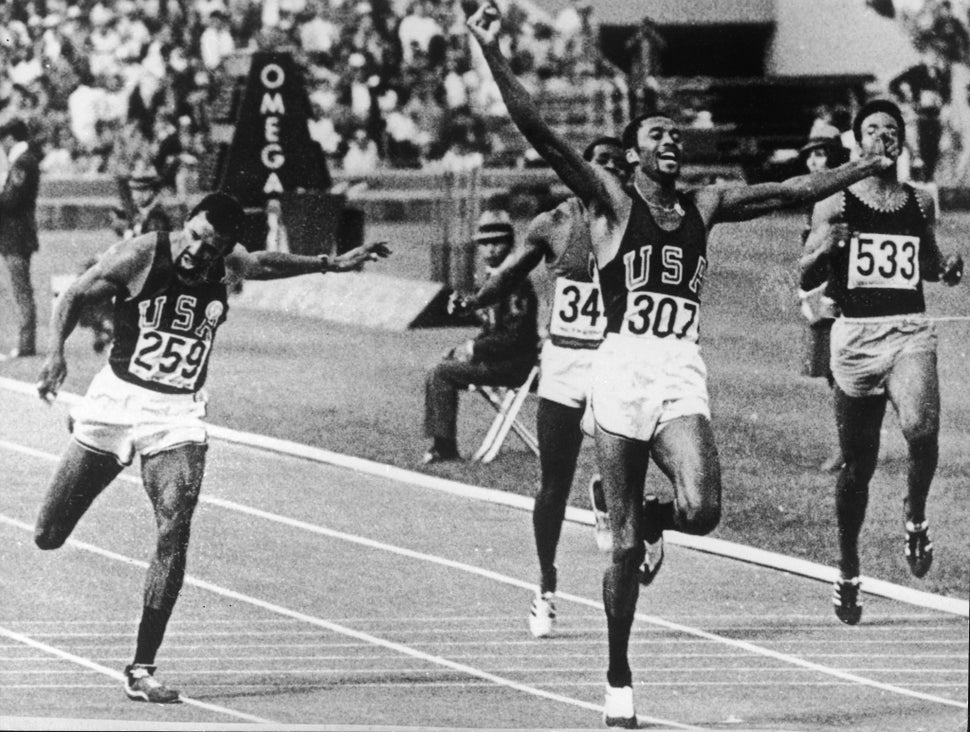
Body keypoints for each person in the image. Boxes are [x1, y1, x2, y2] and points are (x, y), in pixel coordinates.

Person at [466, 5, 896, 726]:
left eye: (674, 134)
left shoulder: (705, 202)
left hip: (678, 370)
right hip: (620, 371)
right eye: (656, 136)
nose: (670, 141)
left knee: (705, 509)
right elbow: (539, 130)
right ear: (635, 155)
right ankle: (618, 678)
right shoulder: (609, 203)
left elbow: (788, 191)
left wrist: (864, 164)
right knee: (621, 548)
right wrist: (492, 51)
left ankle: (650, 516)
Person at [33, 192, 391, 704]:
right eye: (196, 237)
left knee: (174, 525)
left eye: (213, 246)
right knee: (47, 535)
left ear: (225, 247)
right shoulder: (144, 253)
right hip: (116, 401)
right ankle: (85, 427)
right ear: (188, 223)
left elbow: (264, 263)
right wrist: (55, 357)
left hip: (176, 414)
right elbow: (73, 296)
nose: (199, 251)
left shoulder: (227, 261)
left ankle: (142, 667)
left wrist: (329, 263)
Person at [450, 137, 631, 637]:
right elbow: (510, 273)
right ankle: (546, 587)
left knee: (626, 455)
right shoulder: (553, 223)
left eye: (618, 164)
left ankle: (607, 494)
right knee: (553, 482)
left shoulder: (636, 221)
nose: (609, 171)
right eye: (600, 163)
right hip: (564, 362)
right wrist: (476, 300)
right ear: (579, 168)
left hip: (614, 357)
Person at [800, 99, 963, 626]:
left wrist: (950, 269)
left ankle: (915, 515)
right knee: (858, 466)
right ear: (857, 141)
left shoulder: (919, 201)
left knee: (922, 429)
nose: (883, 137)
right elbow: (804, 275)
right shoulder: (834, 201)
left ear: (902, 140)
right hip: (854, 339)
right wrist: (827, 248)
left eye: (891, 129)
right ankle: (848, 567)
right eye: (872, 130)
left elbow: (929, 264)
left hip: (908, 330)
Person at [423, 209, 539, 464]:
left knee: (441, 373)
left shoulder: (516, 283)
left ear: (510, 244)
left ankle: (444, 447)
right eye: (485, 243)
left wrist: (473, 349)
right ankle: (441, 444)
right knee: (440, 367)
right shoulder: (491, 279)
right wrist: (465, 348)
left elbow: (515, 338)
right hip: (499, 360)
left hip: (515, 364)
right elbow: (491, 329)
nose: (490, 249)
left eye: (497, 242)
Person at [796, 124, 849, 473]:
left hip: (841, 288)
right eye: (810, 155)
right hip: (820, 286)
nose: (814, 162)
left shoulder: (841, 194)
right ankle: (849, 442)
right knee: (833, 371)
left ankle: (849, 445)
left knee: (842, 369)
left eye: (821, 154)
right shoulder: (815, 195)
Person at [0, 117, 41, 359]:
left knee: (21, 290)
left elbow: (11, 200)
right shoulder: (26, 160)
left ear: (10, 138)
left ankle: (26, 344)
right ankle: (26, 341)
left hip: (16, 234)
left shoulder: (22, 162)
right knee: (20, 289)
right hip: (18, 233)